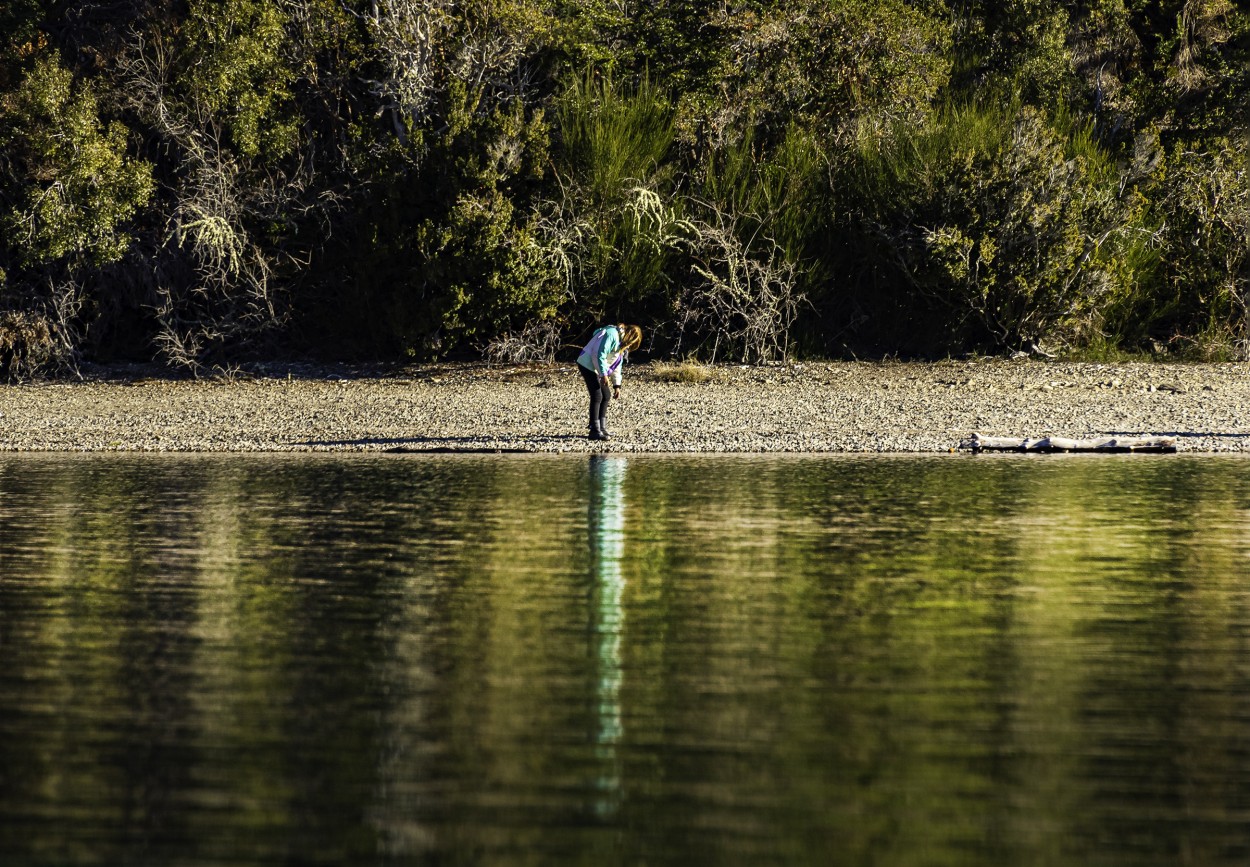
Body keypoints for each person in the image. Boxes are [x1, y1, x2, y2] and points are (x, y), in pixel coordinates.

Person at [577, 323, 643, 441]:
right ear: (629, 336)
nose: (630, 346)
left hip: (598, 367)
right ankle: (594, 430)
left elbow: (616, 365)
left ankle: (602, 427)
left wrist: (617, 385)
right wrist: (603, 375)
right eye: (631, 342)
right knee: (597, 395)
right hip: (587, 364)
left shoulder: (621, 343)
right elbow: (598, 355)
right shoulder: (612, 335)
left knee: (606, 395)